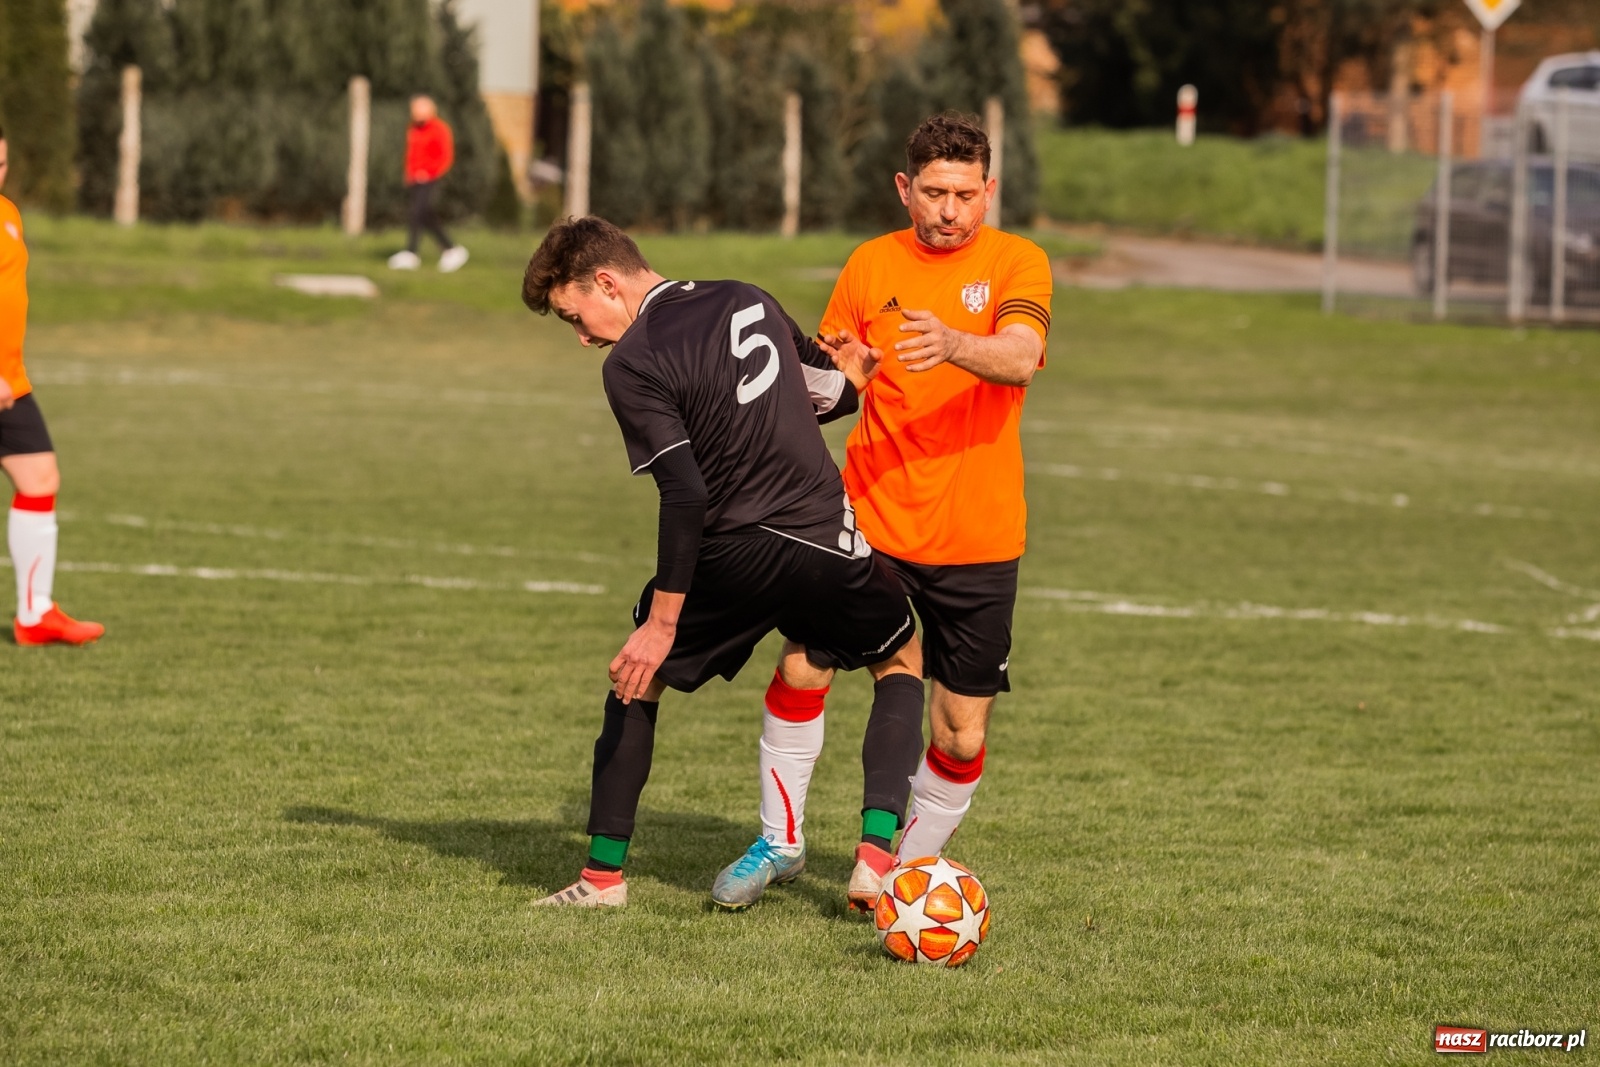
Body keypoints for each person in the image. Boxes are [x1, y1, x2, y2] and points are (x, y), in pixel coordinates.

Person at [520, 217, 925, 910]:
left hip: (732, 552)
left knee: (637, 682)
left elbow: (685, 491)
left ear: (608, 283)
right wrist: (858, 370)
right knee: (899, 659)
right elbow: (826, 395)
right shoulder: (746, 296)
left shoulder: (631, 363)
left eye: (574, 316)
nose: (582, 337)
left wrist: (661, 624)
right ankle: (874, 860)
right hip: (821, 535)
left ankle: (602, 880)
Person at [819, 112, 1052, 904]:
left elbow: (1020, 356)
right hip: (873, 517)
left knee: (960, 731)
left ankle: (898, 875)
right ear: (904, 188)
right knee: (805, 662)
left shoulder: (1018, 261)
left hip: (979, 533)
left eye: (965, 194)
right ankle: (778, 841)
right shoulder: (869, 263)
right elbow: (831, 376)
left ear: (989, 190)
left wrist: (952, 343)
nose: (950, 210)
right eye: (933, 193)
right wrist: (841, 371)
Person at [0, 127, 104, 646]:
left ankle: (35, 614)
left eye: (0, 165)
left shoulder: (8, 215)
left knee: (39, 478)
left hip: (10, 384)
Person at [387, 96, 469, 274]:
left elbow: (445, 157)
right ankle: (451, 249)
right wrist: (409, 173)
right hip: (415, 179)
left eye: (418, 109)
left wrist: (428, 172)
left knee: (417, 212)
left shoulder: (439, 128)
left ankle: (412, 252)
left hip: (430, 178)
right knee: (424, 214)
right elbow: (412, 154)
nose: (415, 113)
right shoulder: (413, 128)